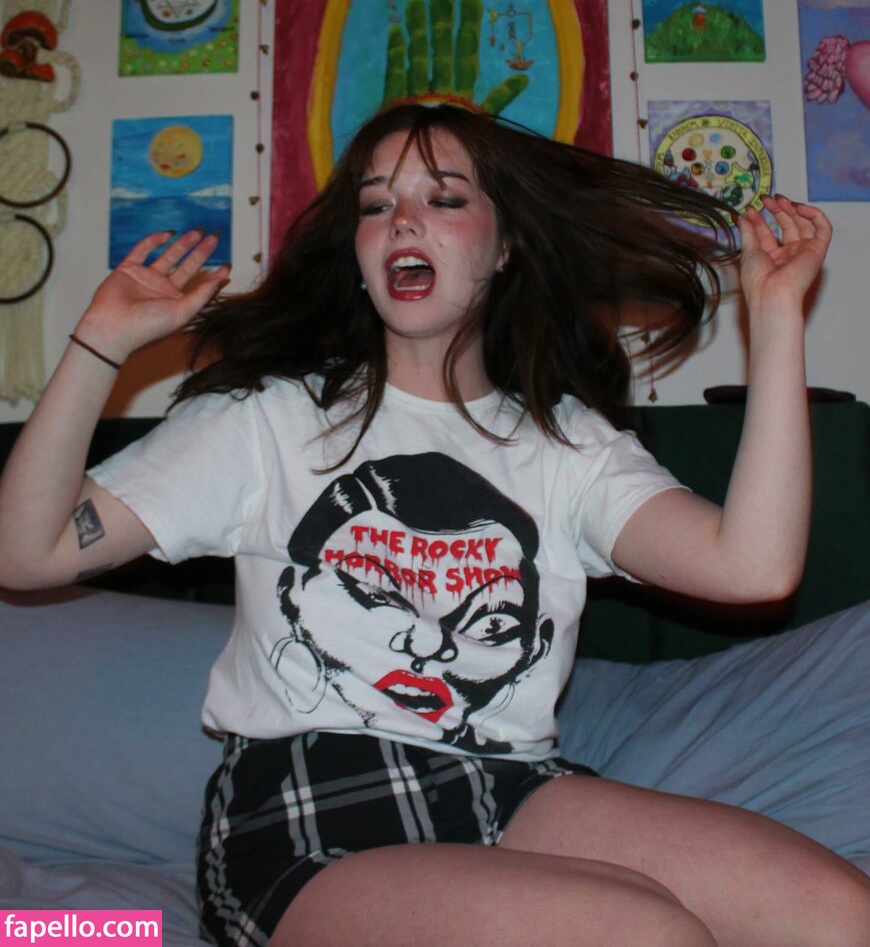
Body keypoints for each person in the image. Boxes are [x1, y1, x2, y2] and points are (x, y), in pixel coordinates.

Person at [0, 102, 866, 947]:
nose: (403, 220)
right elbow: (27, 554)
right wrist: (99, 342)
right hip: (309, 808)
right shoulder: (267, 421)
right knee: (646, 932)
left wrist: (776, 316)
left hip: (510, 784)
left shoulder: (566, 445)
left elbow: (752, 569)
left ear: (505, 246)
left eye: (444, 198)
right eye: (376, 206)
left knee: (839, 913)